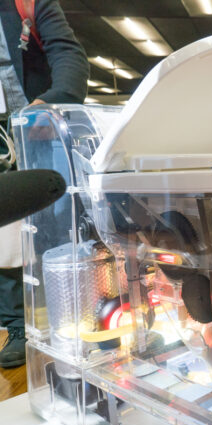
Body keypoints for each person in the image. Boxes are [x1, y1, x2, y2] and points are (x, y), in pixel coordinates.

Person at [0, 0, 88, 368]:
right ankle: (17, 324)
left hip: (39, 127)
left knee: (60, 224)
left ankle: (80, 314)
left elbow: (69, 57)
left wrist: (50, 104)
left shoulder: (29, 3)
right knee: (3, 238)